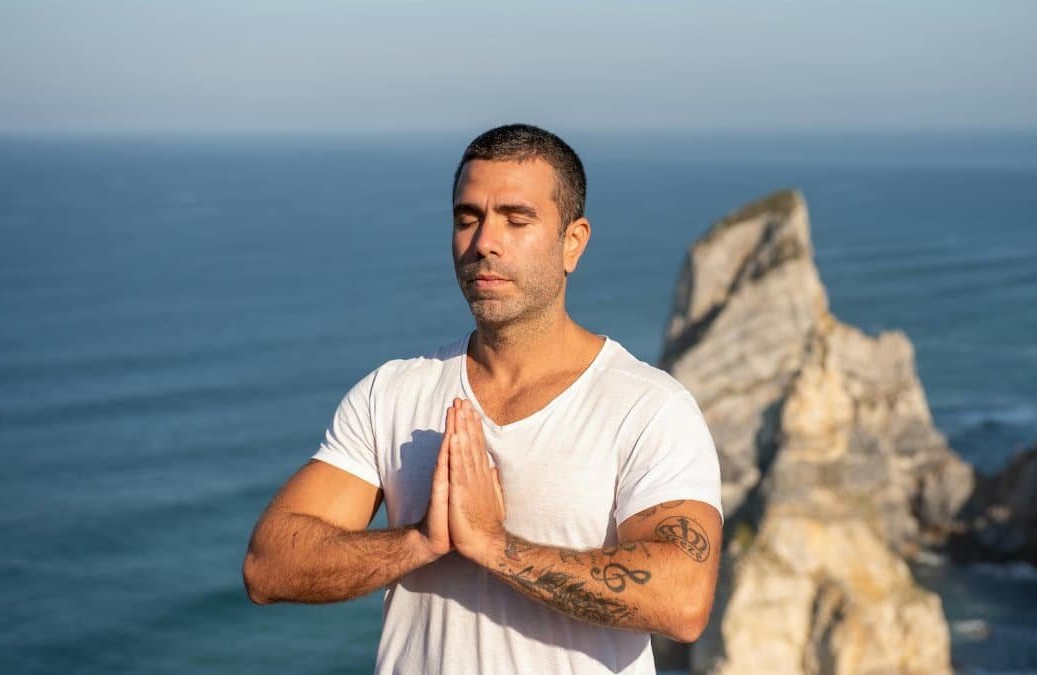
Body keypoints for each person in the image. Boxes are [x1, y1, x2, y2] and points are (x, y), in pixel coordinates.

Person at [242, 123, 723, 675]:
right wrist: (421, 542)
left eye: (517, 220)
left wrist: (494, 546)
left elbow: (684, 600)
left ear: (573, 242)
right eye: (467, 218)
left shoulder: (647, 407)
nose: (484, 242)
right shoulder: (392, 393)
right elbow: (267, 564)